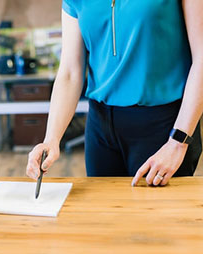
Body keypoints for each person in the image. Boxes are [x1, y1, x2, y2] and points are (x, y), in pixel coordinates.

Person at [27, 0, 203, 186]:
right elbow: (70, 72)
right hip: (100, 127)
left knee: (158, 213)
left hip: (164, 126)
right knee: (105, 213)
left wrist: (178, 142)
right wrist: (51, 139)